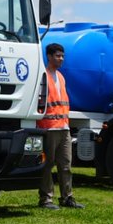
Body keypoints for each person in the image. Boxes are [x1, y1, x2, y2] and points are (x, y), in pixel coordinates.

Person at [36, 43, 84, 210]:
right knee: (47, 165)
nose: (61, 58)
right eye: (58, 55)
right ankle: (46, 199)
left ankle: (67, 197)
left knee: (66, 165)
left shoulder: (61, 77)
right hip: (48, 127)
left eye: (62, 56)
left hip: (63, 127)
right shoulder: (42, 76)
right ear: (49, 56)